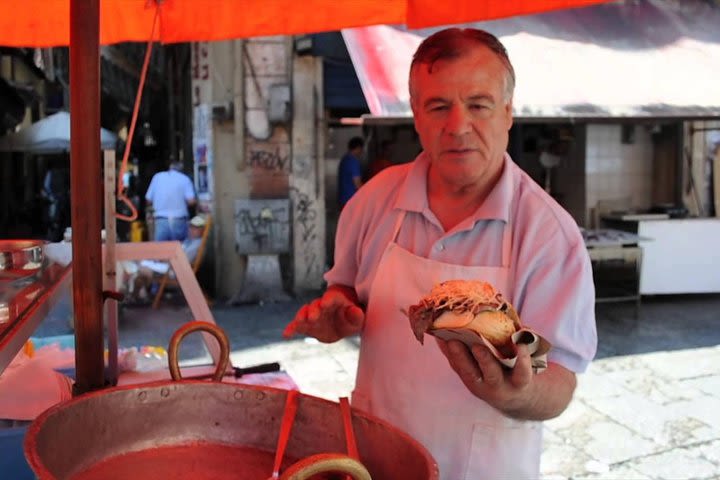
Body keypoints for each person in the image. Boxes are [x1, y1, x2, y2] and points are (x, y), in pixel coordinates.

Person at [284, 28, 597, 479]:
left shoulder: (548, 235)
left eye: (478, 105)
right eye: (438, 106)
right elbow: (345, 289)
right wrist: (339, 312)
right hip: (377, 462)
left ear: (508, 112)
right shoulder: (373, 203)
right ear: (415, 114)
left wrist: (516, 394)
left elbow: (561, 381)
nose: (457, 126)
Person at [122, 215, 206, 302]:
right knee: (137, 268)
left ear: (202, 230)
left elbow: (183, 261)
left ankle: (132, 295)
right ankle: (136, 296)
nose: (191, 230)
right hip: (168, 266)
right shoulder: (189, 241)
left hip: (173, 270)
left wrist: (162, 259)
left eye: (195, 228)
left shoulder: (196, 245)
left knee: (138, 268)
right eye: (191, 227)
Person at [145, 160, 197, 241]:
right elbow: (191, 201)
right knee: (179, 249)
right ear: (181, 170)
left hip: (161, 221)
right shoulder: (184, 179)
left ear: (170, 168)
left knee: (160, 251)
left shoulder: (157, 177)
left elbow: (148, 200)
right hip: (179, 220)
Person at [337, 136, 364, 208]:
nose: (361, 152)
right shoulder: (353, 161)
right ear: (358, 148)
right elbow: (357, 183)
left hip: (343, 199)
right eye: (361, 149)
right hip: (351, 200)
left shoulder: (344, 159)